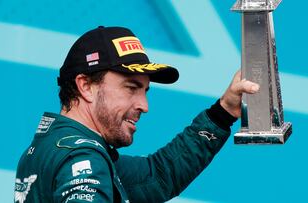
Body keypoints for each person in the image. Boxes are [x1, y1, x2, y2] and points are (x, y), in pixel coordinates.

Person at [14, 26, 259, 203]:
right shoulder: (83, 158)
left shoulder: (53, 146)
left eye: (145, 91)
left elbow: (160, 175)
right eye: (131, 88)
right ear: (85, 86)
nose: (144, 105)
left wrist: (224, 111)